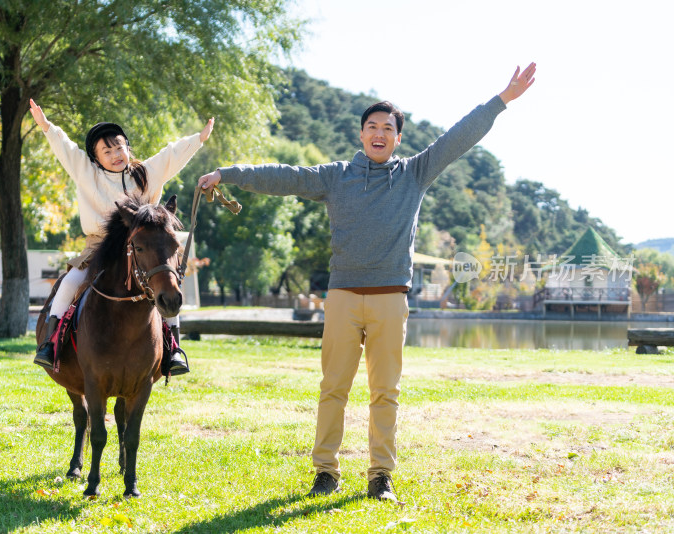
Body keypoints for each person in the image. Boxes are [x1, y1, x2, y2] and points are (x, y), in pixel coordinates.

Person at [198, 64, 536, 501]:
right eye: (371, 127)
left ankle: (380, 476)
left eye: (388, 128)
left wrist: (502, 99)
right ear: (361, 135)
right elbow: (284, 176)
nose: (379, 133)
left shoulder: (415, 173)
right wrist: (229, 173)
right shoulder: (335, 177)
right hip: (341, 297)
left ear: (398, 138)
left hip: (390, 300)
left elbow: (458, 137)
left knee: (385, 392)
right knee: (332, 388)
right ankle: (326, 471)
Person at [29, 99, 214, 375]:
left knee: (169, 285)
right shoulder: (86, 173)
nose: (116, 154)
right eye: (107, 151)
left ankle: (173, 348)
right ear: (96, 158)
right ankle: (51, 344)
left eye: (119, 147)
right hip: (98, 248)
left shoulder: (145, 174)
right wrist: (46, 126)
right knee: (70, 282)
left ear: (128, 148)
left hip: (144, 250)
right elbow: (66, 149)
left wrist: (198, 139)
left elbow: (170, 155)